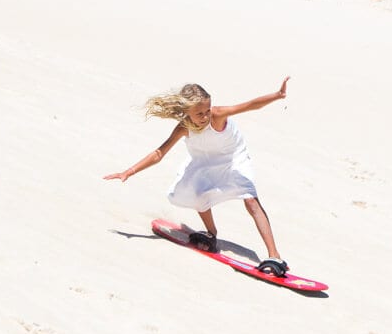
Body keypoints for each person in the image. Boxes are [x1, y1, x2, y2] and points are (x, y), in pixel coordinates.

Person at [104, 77, 291, 276]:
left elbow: (250, 106)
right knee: (197, 193)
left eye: (206, 111)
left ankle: (274, 255)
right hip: (205, 160)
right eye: (199, 113)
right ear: (187, 113)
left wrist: (277, 95)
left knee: (251, 201)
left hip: (234, 158)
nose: (204, 116)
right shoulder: (184, 127)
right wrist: (128, 172)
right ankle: (212, 234)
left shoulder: (217, 115)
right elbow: (159, 153)